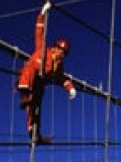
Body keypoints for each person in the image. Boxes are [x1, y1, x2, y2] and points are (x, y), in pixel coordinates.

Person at [17, 1, 77, 145]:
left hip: (39, 85)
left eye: (64, 52)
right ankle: (24, 96)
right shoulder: (43, 50)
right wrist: (43, 14)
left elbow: (61, 78)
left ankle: (35, 135)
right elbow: (39, 31)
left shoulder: (58, 66)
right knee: (30, 68)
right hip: (28, 80)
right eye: (59, 50)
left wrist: (71, 88)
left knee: (35, 110)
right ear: (54, 48)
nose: (60, 53)